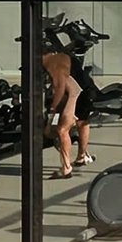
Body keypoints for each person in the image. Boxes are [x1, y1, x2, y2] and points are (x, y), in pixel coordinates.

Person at [42, 47, 87, 178]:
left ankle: (67, 168)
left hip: (74, 95)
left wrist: (52, 111)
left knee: (61, 130)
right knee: (56, 129)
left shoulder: (50, 63)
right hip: (77, 94)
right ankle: (82, 155)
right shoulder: (60, 57)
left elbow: (60, 89)